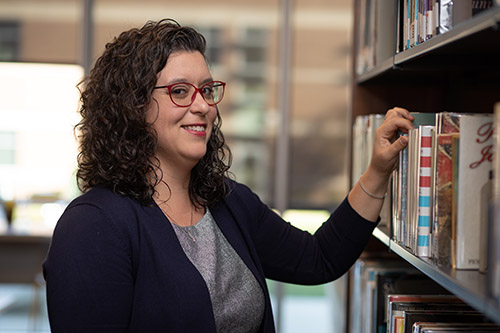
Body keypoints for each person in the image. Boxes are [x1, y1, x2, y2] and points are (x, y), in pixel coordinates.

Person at [42, 18, 414, 332]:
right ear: (133, 107)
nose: (203, 106)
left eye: (207, 90)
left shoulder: (228, 201)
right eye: (180, 91)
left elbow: (318, 259)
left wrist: (378, 170)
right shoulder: (92, 225)